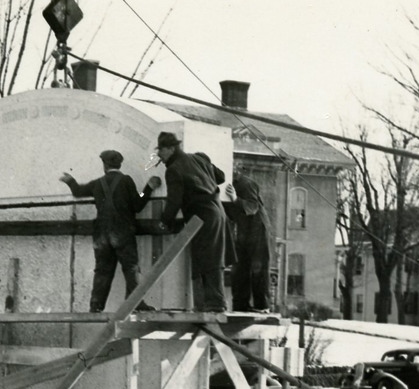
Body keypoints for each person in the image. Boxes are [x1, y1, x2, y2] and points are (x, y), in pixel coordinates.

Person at [60, 149, 162, 313]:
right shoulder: (126, 181)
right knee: (131, 268)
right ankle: (135, 304)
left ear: (104, 165)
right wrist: (148, 188)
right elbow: (138, 204)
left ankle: (95, 306)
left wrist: (70, 180)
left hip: (101, 235)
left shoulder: (98, 183)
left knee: (102, 271)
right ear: (119, 164)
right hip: (122, 233)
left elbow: (78, 191)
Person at [155, 131, 231, 313]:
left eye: (162, 150)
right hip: (218, 212)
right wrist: (203, 165)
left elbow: (174, 201)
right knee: (213, 258)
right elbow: (220, 177)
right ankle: (212, 303)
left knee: (206, 260)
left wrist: (165, 221)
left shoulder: (173, 170)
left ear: (172, 148)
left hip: (202, 216)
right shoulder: (198, 159)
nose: (159, 154)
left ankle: (214, 304)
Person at [223, 171, 272, 313]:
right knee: (239, 268)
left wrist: (235, 199)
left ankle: (262, 306)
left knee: (259, 267)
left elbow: (252, 207)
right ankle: (240, 305)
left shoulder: (246, 183)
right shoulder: (223, 187)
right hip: (242, 229)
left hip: (258, 228)